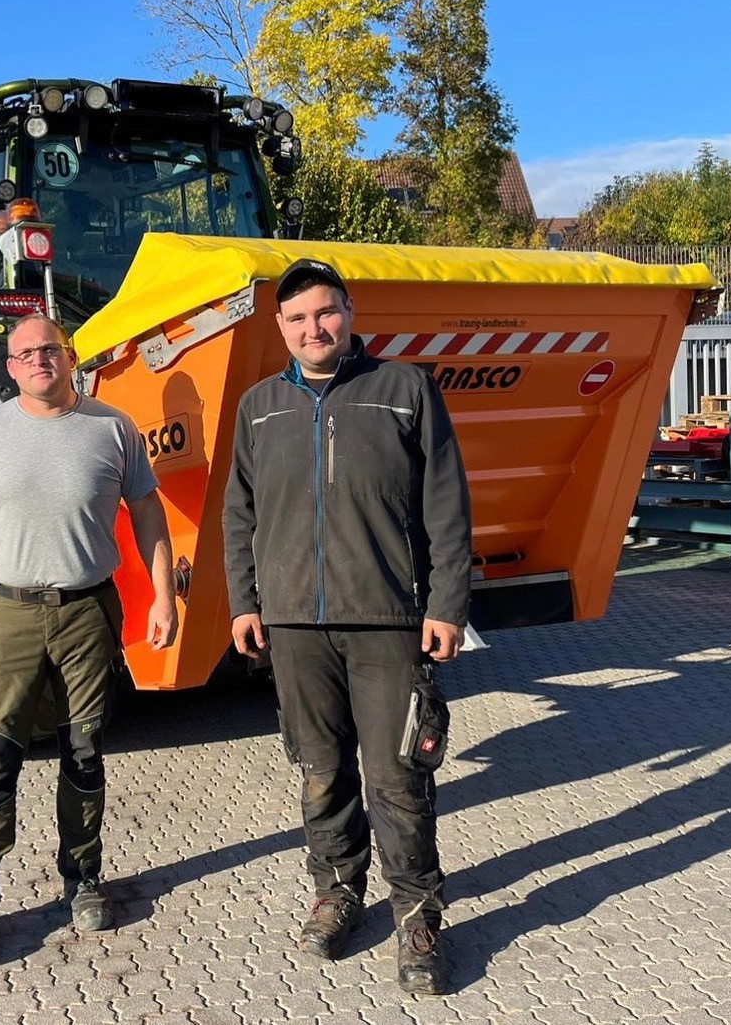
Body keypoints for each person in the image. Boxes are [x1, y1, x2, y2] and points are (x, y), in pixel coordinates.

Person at [222, 259, 472, 996]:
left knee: (397, 775)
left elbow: (446, 507)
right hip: (294, 624)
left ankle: (418, 914)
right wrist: (244, 601)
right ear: (280, 328)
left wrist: (446, 604)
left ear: (349, 312)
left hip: (386, 619)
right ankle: (336, 890)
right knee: (320, 769)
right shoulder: (258, 406)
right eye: (298, 318)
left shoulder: (403, 391)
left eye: (325, 312)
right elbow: (239, 514)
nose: (314, 328)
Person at [0, 312, 178, 968]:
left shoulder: (111, 428)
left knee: (85, 749)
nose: (39, 359)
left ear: (67, 357)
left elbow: (148, 508)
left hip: (87, 611)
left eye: (49, 349)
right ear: (11, 368)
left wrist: (162, 594)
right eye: (25, 353)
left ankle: (82, 876)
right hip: (8, 613)